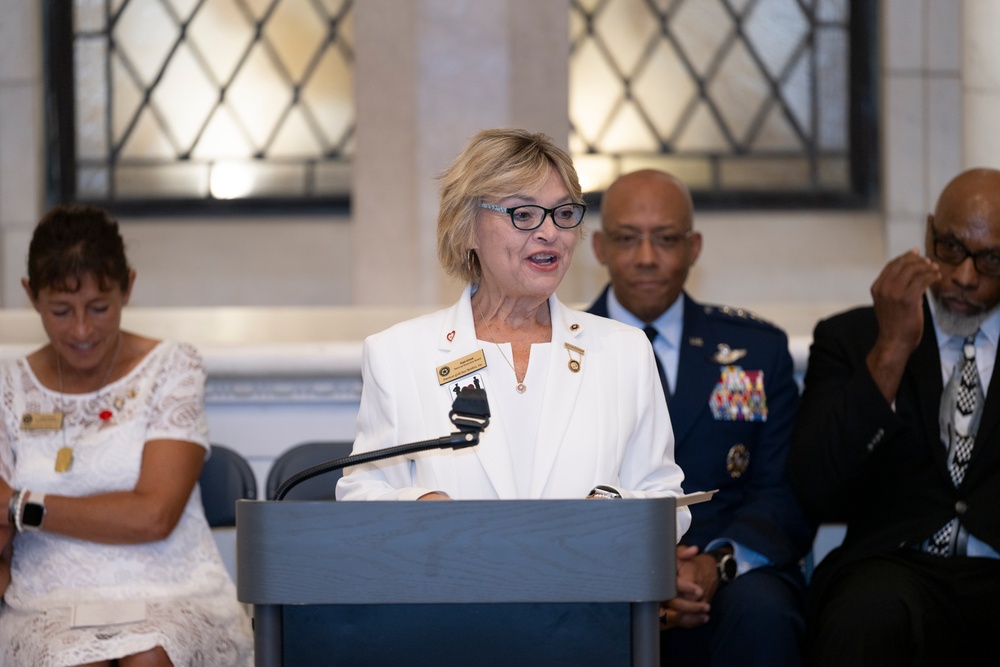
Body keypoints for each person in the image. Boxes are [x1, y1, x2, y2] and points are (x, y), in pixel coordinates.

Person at [336, 130, 690, 520]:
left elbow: (667, 501)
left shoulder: (625, 351)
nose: (550, 232)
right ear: (468, 228)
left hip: (584, 576)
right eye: (523, 214)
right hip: (455, 575)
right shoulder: (400, 355)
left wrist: (608, 513)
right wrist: (420, 507)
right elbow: (361, 493)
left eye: (564, 213)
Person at [0, 205, 252, 666]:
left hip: (171, 590)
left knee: (151, 656)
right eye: (61, 310)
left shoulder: (172, 367)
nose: (81, 330)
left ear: (128, 287)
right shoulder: (8, 387)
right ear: (30, 297)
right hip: (47, 599)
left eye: (99, 307)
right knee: (75, 660)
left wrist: (21, 506)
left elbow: (154, 515)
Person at [588, 169, 814, 667]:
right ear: (600, 247)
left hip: (727, 570)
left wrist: (718, 562)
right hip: (601, 566)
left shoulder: (756, 350)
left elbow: (782, 490)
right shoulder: (558, 353)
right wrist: (641, 574)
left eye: (666, 239)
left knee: (765, 612)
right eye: (627, 239)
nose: (647, 258)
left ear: (694, 247)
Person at [788, 167, 1000, 665]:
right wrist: (891, 350)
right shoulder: (853, 339)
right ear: (928, 235)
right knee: (865, 610)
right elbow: (814, 487)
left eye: (991, 260)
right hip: (896, 566)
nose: (965, 278)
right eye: (950, 249)